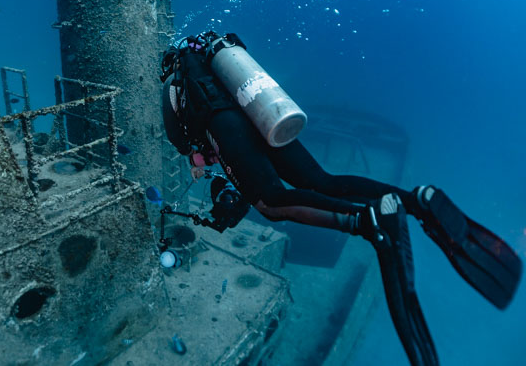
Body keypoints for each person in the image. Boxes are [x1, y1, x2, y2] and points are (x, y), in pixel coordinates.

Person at [159, 31, 521, 366]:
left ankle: (365, 221)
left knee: (271, 202)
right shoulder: (216, 65)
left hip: (225, 125)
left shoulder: (174, 87)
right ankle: (415, 200)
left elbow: (191, 145)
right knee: (322, 180)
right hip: (258, 113)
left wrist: (197, 161)